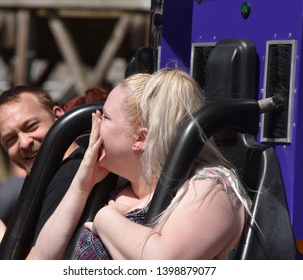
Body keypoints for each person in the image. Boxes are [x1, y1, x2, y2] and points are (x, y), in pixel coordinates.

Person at [32, 68, 252, 260]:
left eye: (106, 117)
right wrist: (81, 186)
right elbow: (43, 259)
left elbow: (161, 264)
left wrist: (105, 218)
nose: (95, 122)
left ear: (140, 139)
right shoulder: (111, 184)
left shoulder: (210, 187)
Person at [0, 86, 108, 256]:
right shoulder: (45, 177)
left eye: (31, 126)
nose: (24, 142)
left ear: (58, 116)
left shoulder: (71, 173)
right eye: (11, 139)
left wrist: (0, 240)